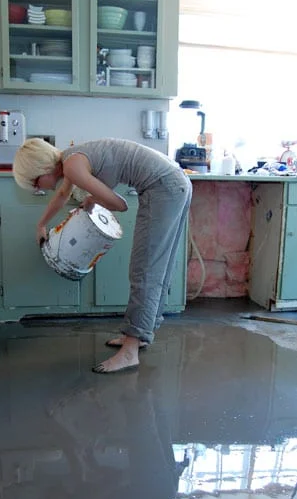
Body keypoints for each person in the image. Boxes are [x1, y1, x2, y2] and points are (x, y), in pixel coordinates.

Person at [12, 137, 192, 374]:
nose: (38, 188)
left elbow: (119, 204)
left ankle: (130, 349)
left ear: (41, 169)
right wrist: (41, 225)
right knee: (158, 266)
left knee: (145, 269)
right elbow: (62, 196)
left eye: (35, 182)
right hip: (174, 183)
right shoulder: (71, 159)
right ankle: (141, 334)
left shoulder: (72, 166)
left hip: (164, 186)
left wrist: (91, 199)